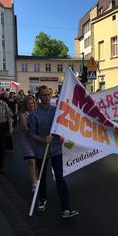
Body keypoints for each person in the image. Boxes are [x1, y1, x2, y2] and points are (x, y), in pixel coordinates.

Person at [30, 85, 79, 218]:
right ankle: (42, 199)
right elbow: (31, 134)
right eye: (43, 95)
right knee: (42, 177)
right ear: (39, 97)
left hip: (56, 149)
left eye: (48, 94)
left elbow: (64, 125)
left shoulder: (56, 111)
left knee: (60, 178)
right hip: (41, 151)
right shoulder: (34, 114)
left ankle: (66, 208)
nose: (46, 97)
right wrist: (42, 139)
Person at [19, 96, 37, 193]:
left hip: (37, 140)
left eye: (32, 103)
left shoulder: (38, 113)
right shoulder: (23, 114)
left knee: (37, 161)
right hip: (27, 139)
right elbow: (26, 129)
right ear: (25, 105)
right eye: (28, 104)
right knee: (31, 160)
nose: (30, 105)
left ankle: (36, 178)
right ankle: (33, 183)